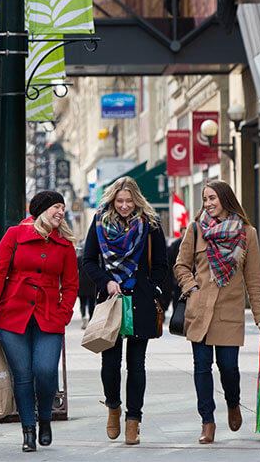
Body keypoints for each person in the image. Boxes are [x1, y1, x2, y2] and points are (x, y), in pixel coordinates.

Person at [0, 191, 78, 453]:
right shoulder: (14, 235)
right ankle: (28, 430)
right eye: (56, 207)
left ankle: (45, 418)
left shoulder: (64, 244)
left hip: (49, 316)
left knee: (45, 371)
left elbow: (70, 285)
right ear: (42, 210)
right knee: (22, 376)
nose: (60, 212)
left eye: (62, 208)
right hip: (13, 315)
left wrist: (64, 314)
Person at [173, 179, 260, 445]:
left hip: (229, 311)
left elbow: (253, 279)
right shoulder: (195, 229)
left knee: (228, 368)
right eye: (205, 199)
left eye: (212, 198)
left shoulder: (247, 233)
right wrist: (191, 289)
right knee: (201, 367)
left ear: (225, 199)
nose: (208, 204)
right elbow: (181, 265)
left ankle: (233, 403)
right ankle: (207, 422)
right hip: (200, 310)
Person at [82, 176, 169, 446]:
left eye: (129, 201)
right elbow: (88, 260)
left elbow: (162, 265)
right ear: (112, 199)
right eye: (119, 201)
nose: (124, 205)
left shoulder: (151, 224)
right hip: (111, 301)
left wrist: (151, 286)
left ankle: (133, 421)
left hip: (140, 301)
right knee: (109, 364)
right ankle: (113, 406)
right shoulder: (99, 223)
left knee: (137, 365)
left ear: (137, 200)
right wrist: (106, 282)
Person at [76, 249, 96, 329]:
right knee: (91, 303)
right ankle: (91, 319)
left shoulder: (78, 259)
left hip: (81, 283)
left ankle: (84, 316)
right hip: (91, 283)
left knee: (82, 303)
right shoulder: (92, 259)